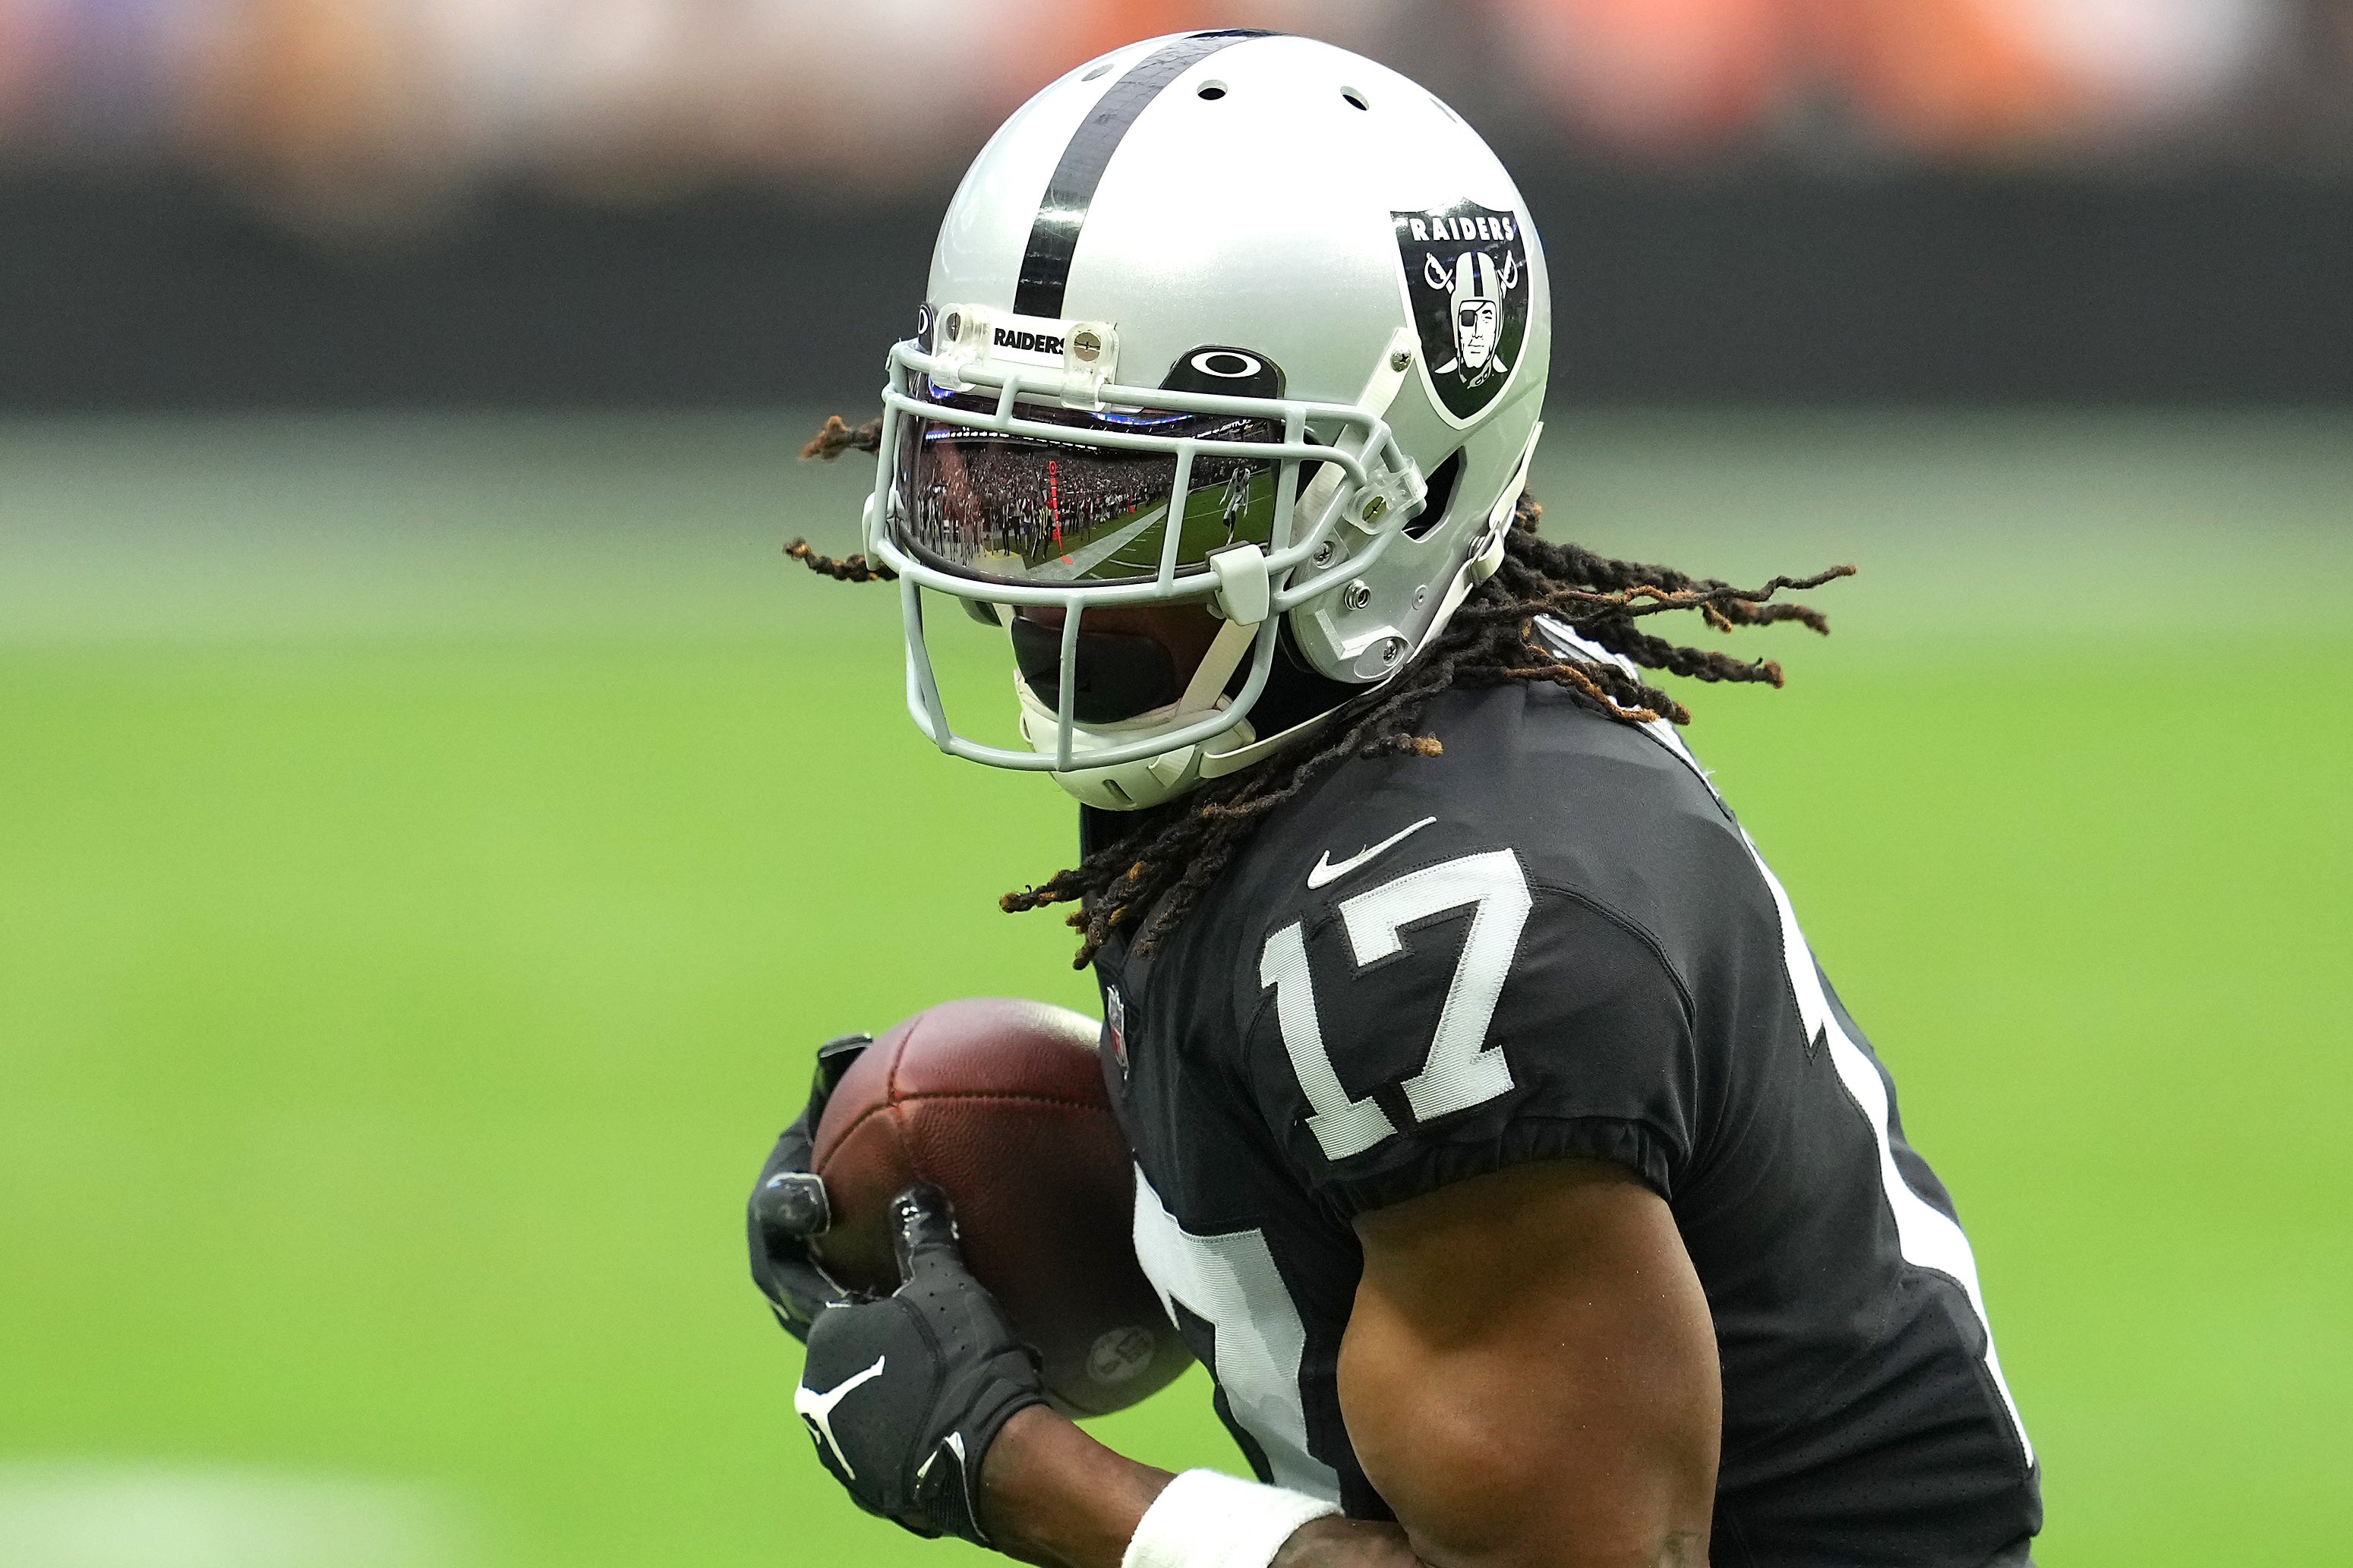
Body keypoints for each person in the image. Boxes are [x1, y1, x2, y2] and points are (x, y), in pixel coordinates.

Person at [749, 30, 2039, 1568]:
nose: (1032, 579)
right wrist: (1005, 1181)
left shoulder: (1440, 928)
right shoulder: (1357, 730)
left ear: (1398, 493)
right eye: (998, 473)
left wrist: (1018, 1469)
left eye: (1118, 502)